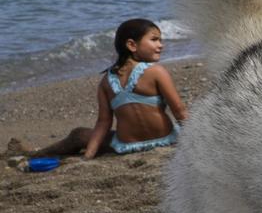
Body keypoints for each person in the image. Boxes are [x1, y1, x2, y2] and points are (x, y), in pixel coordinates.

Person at [21, 19, 188, 160]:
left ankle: (35, 155)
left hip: (127, 147)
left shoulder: (106, 82)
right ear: (131, 45)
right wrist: (195, 142)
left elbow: (103, 122)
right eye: (155, 39)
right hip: (166, 140)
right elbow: (179, 111)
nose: (161, 45)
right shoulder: (156, 71)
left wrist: (89, 155)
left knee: (78, 135)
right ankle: (35, 155)